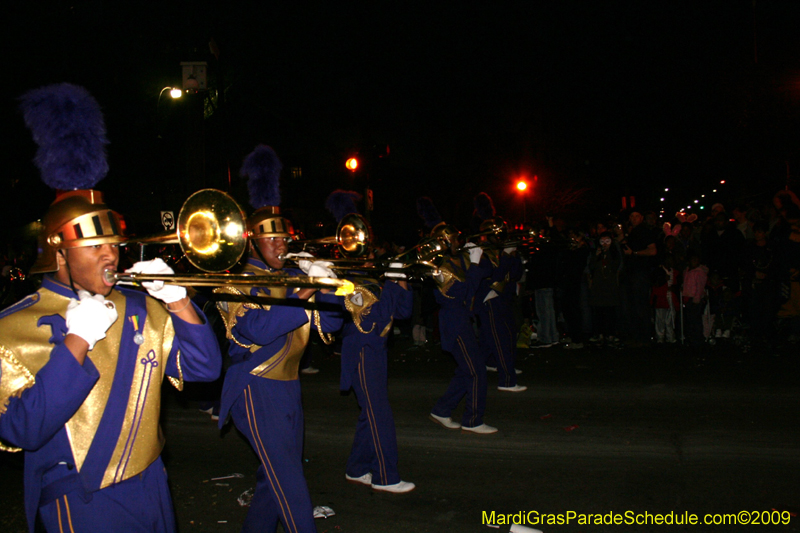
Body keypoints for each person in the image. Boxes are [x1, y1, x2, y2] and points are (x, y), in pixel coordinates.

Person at [0, 83, 221, 533]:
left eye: (114, 245)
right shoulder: (15, 324)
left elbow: (205, 370)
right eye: (94, 246)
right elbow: (20, 431)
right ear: (58, 251)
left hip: (153, 482)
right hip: (82, 498)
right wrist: (76, 342)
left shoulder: (140, 305)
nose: (110, 256)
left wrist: (180, 303)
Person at [215, 146, 342, 533]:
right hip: (254, 386)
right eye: (271, 240)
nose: (281, 245)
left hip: (288, 387)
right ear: (252, 242)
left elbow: (330, 328)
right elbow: (253, 331)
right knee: (289, 482)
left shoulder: (291, 276)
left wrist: (328, 286)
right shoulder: (235, 282)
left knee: (273, 480)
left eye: (284, 238)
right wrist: (301, 295)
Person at [418, 198, 496, 434]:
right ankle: (472, 420)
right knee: (476, 371)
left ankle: (442, 410)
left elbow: (487, 272)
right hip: (454, 322)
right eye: (453, 239)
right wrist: (472, 263)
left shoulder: (458, 258)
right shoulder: (438, 268)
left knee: (466, 370)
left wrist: (484, 252)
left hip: (463, 319)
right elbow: (462, 292)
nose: (457, 242)